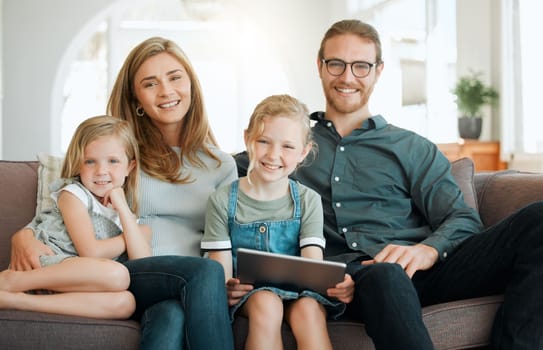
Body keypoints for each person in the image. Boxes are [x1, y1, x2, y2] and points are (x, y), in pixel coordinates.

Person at [234, 19, 543, 349]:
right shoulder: (284, 146)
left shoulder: (410, 147)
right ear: (320, 67)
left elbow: (463, 219)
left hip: (429, 271)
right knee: (385, 274)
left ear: (378, 71)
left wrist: (427, 250)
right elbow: (212, 174)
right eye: (336, 64)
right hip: (354, 281)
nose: (348, 77)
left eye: (361, 66)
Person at [10, 37, 237, 350]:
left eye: (175, 77)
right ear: (136, 99)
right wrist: (21, 236)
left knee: (171, 316)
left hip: (196, 285)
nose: (166, 91)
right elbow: (69, 202)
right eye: (150, 83)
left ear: (192, 85)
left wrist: (228, 282)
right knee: (204, 272)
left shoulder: (222, 165)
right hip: (135, 272)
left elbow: (226, 239)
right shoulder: (120, 158)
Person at [202, 94, 348, 350]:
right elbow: (222, 275)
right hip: (251, 295)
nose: (273, 155)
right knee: (266, 302)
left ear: (303, 152)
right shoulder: (222, 200)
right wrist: (228, 289)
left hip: (300, 293)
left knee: (309, 310)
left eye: (288, 147)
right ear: (248, 138)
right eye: (263, 142)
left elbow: (313, 267)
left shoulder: (307, 200)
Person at [0, 115, 151, 319]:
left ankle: (18, 301)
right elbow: (91, 252)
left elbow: (145, 265)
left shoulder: (128, 218)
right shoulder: (73, 194)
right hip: (47, 264)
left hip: (77, 283)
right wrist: (132, 237)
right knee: (118, 275)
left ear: (129, 167)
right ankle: (15, 282)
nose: (101, 171)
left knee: (125, 303)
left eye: (113, 161)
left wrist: (123, 208)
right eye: (90, 161)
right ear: (79, 165)